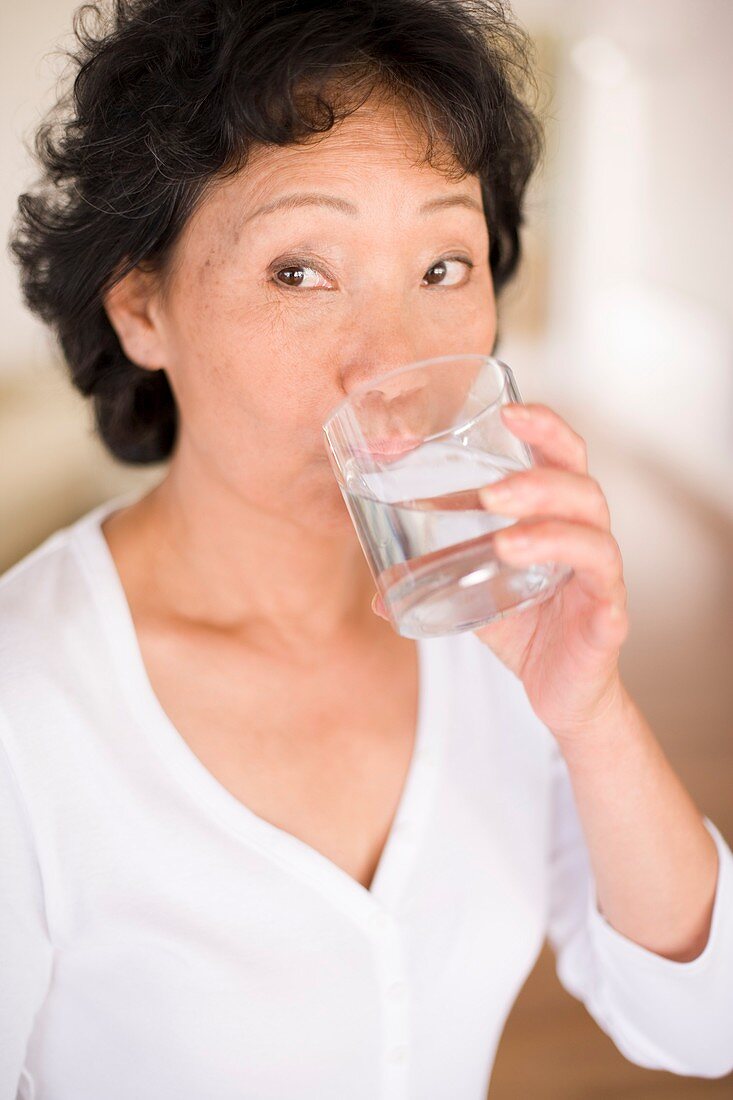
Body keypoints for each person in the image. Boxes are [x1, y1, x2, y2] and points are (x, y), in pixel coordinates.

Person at [2, 1, 732, 1097]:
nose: (390, 365)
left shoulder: (490, 628)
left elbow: (696, 1020)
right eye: (300, 270)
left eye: (444, 265)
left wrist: (591, 713)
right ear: (141, 309)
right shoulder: (29, 700)